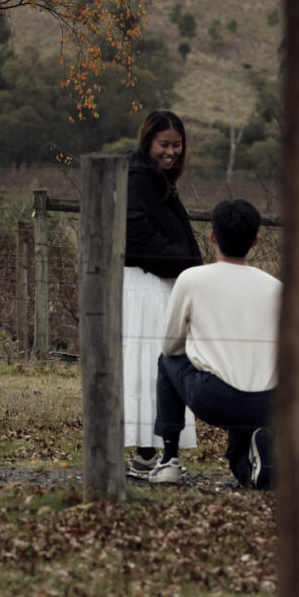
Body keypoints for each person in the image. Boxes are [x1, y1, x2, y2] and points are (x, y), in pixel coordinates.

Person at [148, 199, 280, 489]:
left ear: (212, 236)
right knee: (237, 462)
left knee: (165, 361)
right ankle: (262, 464)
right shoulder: (276, 288)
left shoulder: (192, 279)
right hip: (269, 403)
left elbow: (170, 346)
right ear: (256, 240)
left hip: (216, 398)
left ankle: (169, 459)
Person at [123, 110, 203, 479]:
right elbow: (137, 234)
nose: (171, 152)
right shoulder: (140, 179)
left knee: (160, 363)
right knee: (152, 364)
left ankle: (155, 455)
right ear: (148, 142)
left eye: (176, 145)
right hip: (147, 283)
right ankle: (149, 456)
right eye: (163, 145)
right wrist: (182, 260)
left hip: (161, 281)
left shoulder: (158, 179)